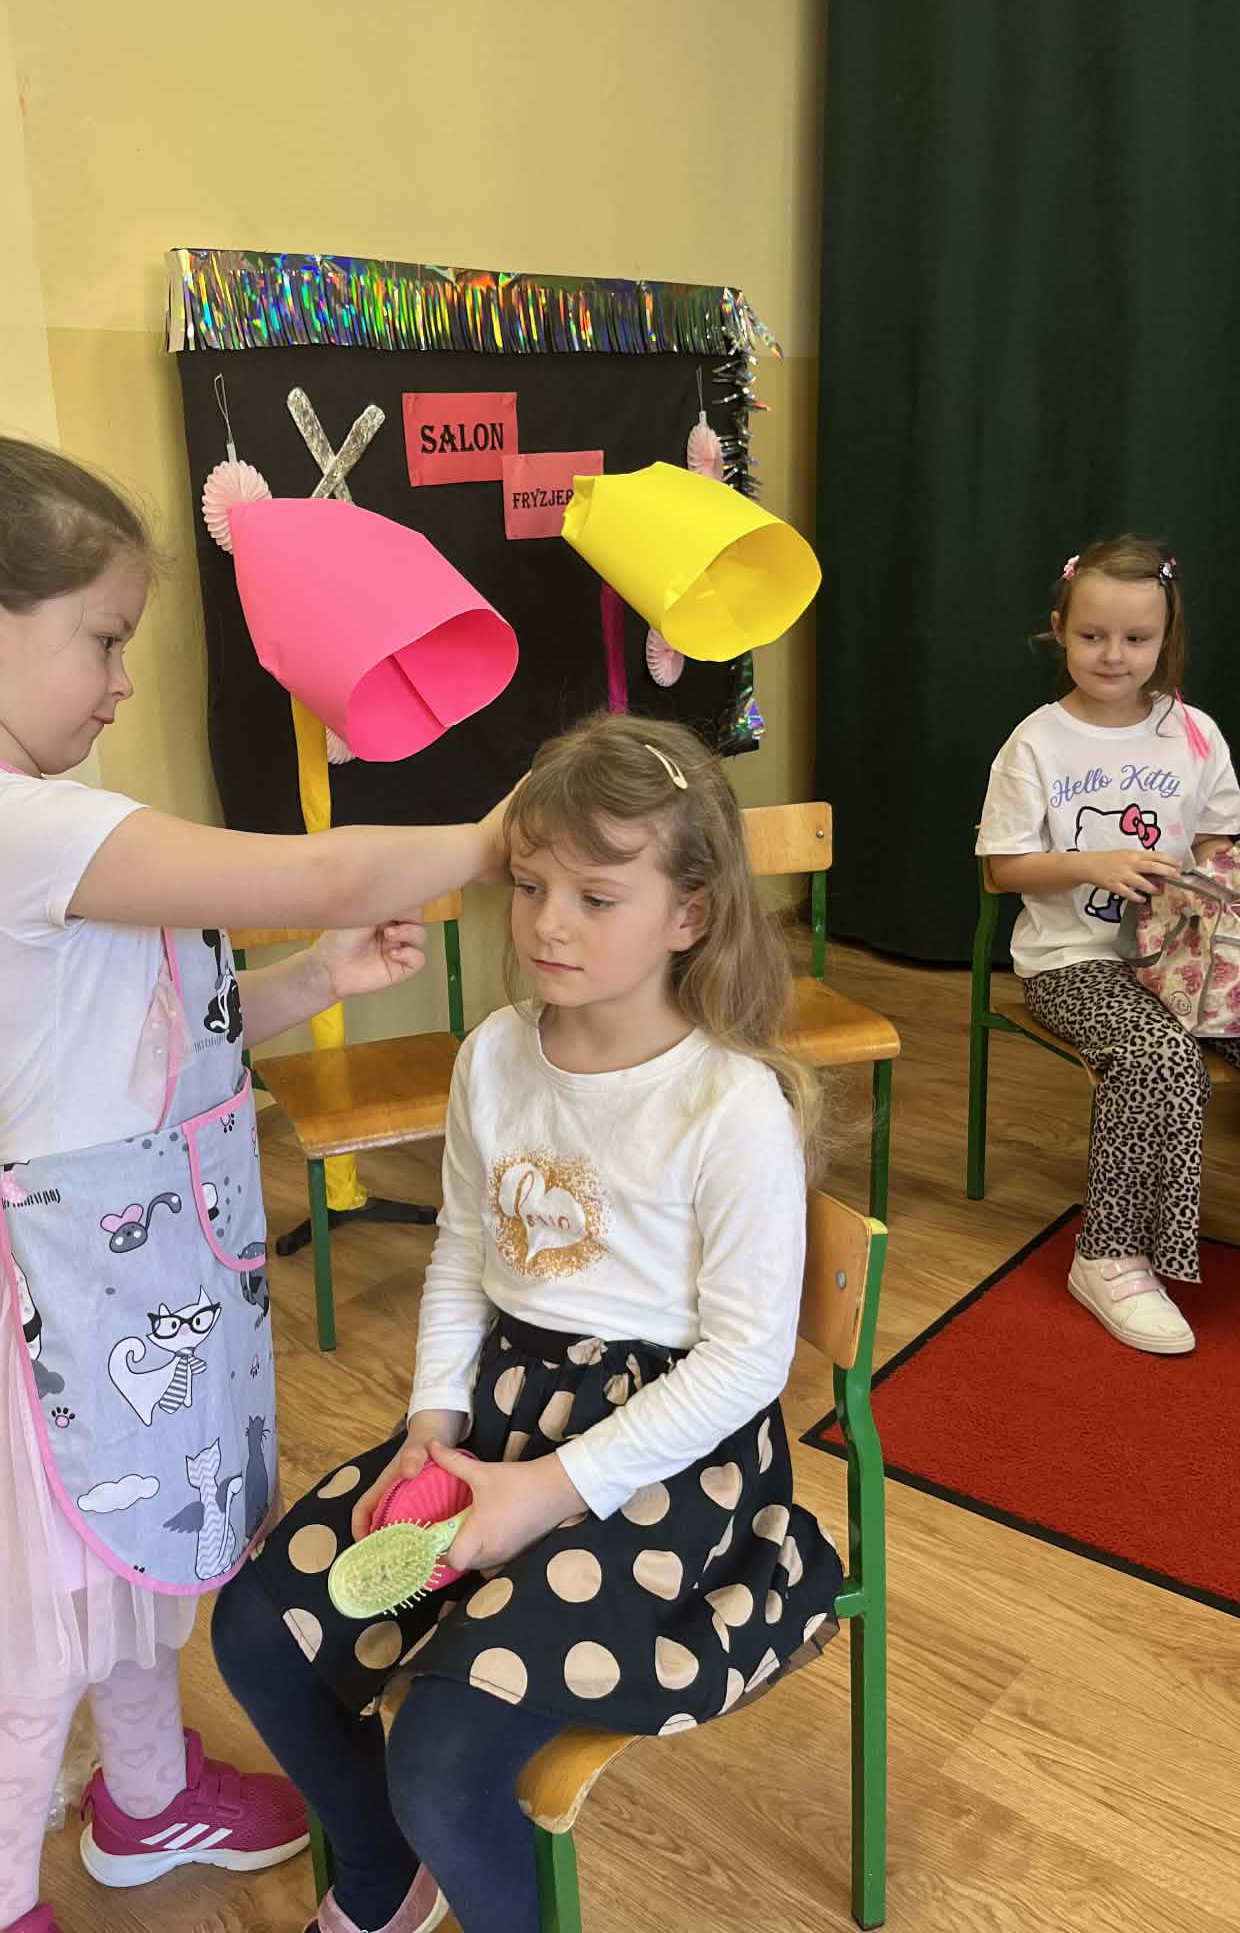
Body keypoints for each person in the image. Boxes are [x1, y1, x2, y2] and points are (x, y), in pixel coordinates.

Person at [0, 436, 512, 1933]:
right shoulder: (5, 823)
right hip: (75, 1292)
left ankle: (147, 1799)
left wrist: (312, 983)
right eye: (105, 639)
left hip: (145, 1266)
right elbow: (313, 869)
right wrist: (500, 841)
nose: (120, 683)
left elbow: (159, 1041)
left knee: (134, 1571)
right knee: (45, 1642)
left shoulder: (24, 819)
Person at [212, 711, 842, 1933]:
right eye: (533, 885)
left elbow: (745, 1362)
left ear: (690, 913)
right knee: (259, 1629)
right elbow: (465, 1247)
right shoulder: (495, 1055)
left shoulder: (730, 1106)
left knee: (444, 1760)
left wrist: (546, 1490)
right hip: (505, 1413)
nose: (550, 922)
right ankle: (384, 1877)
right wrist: (431, 1417)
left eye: (597, 897)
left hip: (671, 1468)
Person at [978, 537, 1240, 1353]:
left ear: (1166, 638)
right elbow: (1001, 870)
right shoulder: (1037, 743)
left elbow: (1217, 843)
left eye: (1136, 637)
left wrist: (1211, 881)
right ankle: (1109, 1254)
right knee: (1160, 1057)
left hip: (1184, 958)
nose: (1113, 655)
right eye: (1092, 635)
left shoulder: (1191, 733)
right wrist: (1095, 862)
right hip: (1074, 963)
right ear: (1060, 630)